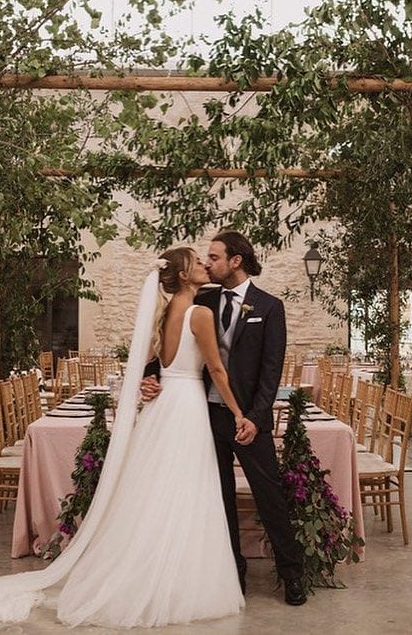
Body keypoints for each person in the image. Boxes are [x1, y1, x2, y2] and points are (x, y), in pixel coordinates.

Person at [0, 247, 247, 627]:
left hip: (165, 408)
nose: (203, 266)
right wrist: (239, 412)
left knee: (158, 491)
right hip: (188, 404)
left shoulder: (163, 317)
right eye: (196, 262)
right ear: (182, 275)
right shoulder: (201, 314)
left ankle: (152, 571)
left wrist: (148, 382)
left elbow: (146, 364)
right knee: (189, 489)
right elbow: (215, 368)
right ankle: (177, 579)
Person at [142, 230, 306, 606]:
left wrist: (253, 417)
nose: (208, 262)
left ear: (236, 261)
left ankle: (291, 573)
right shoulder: (203, 299)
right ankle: (233, 570)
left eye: (214, 257)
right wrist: (148, 377)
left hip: (248, 418)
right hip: (204, 415)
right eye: (205, 259)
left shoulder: (269, 307)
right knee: (219, 497)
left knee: (270, 495)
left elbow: (271, 371)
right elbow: (164, 345)